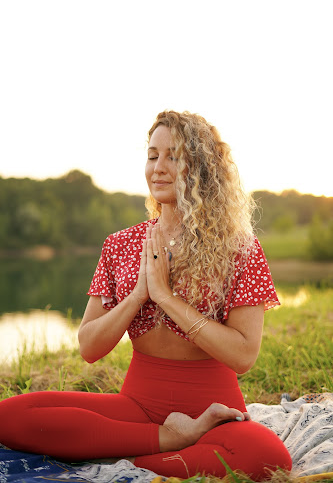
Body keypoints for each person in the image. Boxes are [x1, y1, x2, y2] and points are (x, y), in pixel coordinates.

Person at [0, 111, 292, 481]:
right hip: (137, 406)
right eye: (153, 155)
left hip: (215, 414)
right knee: (10, 417)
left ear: (201, 167)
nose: (159, 167)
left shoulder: (240, 249)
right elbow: (89, 348)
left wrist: (167, 298)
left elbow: (243, 356)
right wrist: (139, 295)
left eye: (175, 156)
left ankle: (142, 451)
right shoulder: (120, 244)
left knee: (266, 457)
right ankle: (169, 440)